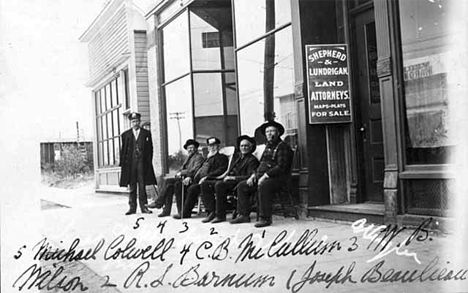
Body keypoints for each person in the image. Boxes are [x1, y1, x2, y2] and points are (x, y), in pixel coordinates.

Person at [231, 120, 292, 228]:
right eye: (267, 131)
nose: (269, 133)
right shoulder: (268, 147)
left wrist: (265, 176)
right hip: (263, 177)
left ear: (278, 133)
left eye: (272, 131)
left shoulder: (282, 146)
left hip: (278, 178)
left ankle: (265, 218)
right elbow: (260, 164)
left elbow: (281, 167)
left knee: (264, 185)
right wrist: (253, 175)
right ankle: (244, 215)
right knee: (242, 185)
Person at [200, 135, 259, 223]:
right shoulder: (239, 158)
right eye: (242, 146)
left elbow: (250, 176)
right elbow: (228, 171)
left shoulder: (252, 160)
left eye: (246, 146)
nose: (244, 148)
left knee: (220, 185)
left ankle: (220, 215)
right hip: (230, 181)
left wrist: (233, 177)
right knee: (205, 184)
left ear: (251, 147)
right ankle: (211, 211)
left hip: (240, 182)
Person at [173, 137, 228, 219]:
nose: (212, 148)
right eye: (210, 146)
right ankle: (182, 211)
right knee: (179, 184)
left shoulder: (221, 157)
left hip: (211, 181)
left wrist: (207, 177)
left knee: (193, 188)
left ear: (218, 146)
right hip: (198, 180)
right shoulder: (207, 158)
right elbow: (198, 170)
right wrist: (190, 177)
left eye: (214, 146)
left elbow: (221, 170)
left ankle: (186, 212)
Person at [153, 139, 204, 217]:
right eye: (188, 148)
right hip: (184, 178)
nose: (190, 149)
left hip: (192, 179)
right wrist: (178, 173)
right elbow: (181, 169)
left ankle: (159, 203)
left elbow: (195, 169)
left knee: (169, 181)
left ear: (196, 148)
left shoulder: (198, 157)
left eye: (192, 147)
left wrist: (181, 173)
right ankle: (166, 210)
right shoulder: (188, 158)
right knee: (170, 185)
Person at [119, 112, 157, 215]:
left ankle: (144, 207)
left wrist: (148, 162)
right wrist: (122, 164)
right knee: (132, 187)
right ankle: (132, 208)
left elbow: (150, 149)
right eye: (133, 121)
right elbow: (123, 151)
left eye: (137, 121)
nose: (135, 123)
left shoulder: (146, 134)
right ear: (131, 122)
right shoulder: (125, 135)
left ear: (139, 121)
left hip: (142, 164)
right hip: (130, 165)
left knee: (142, 186)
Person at [141, 122, 159, 208]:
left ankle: (156, 198)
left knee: (152, 181)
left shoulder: (152, 136)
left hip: (150, 162)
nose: (148, 129)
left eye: (149, 127)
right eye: (146, 127)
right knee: (144, 182)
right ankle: (151, 199)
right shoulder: (142, 137)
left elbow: (152, 149)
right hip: (143, 163)